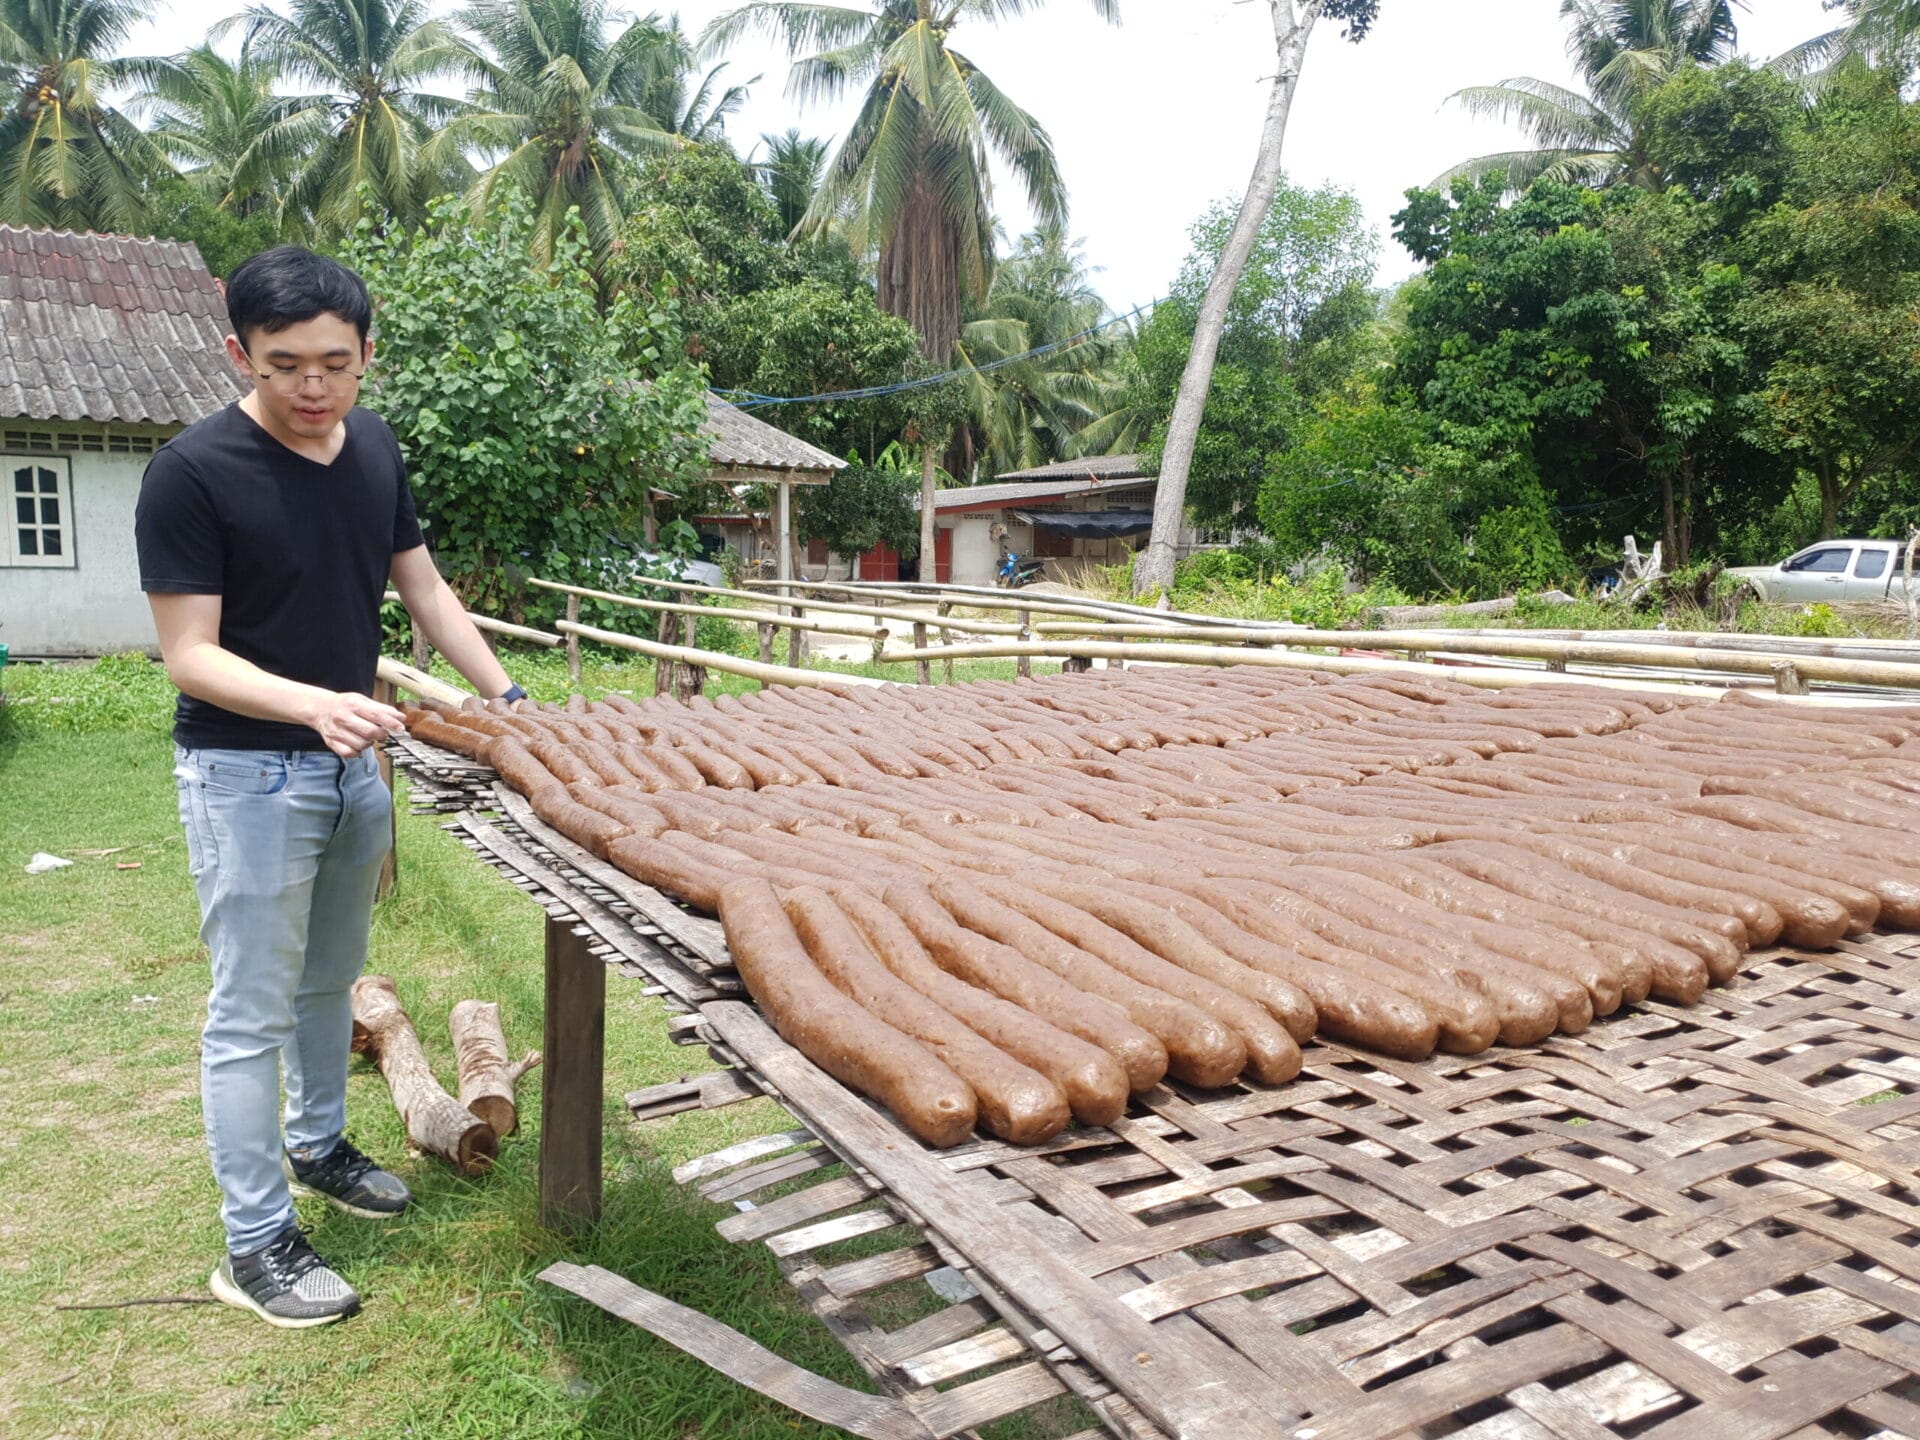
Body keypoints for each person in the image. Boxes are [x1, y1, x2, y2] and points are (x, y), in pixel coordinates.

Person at [135, 246, 523, 1328]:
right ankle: (254, 1242)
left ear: (366, 352)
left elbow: (427, 590)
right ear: (239, 354)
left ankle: (318, 1146)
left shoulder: (376, 449)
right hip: (246, 773)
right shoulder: (191, 473)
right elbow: (189, 655)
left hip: (353, 765)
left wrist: (508, 695)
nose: (313, 387)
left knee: (332, 979)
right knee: (249, 1012)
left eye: (336, 364)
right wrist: (313, 704)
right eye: (285, 365)